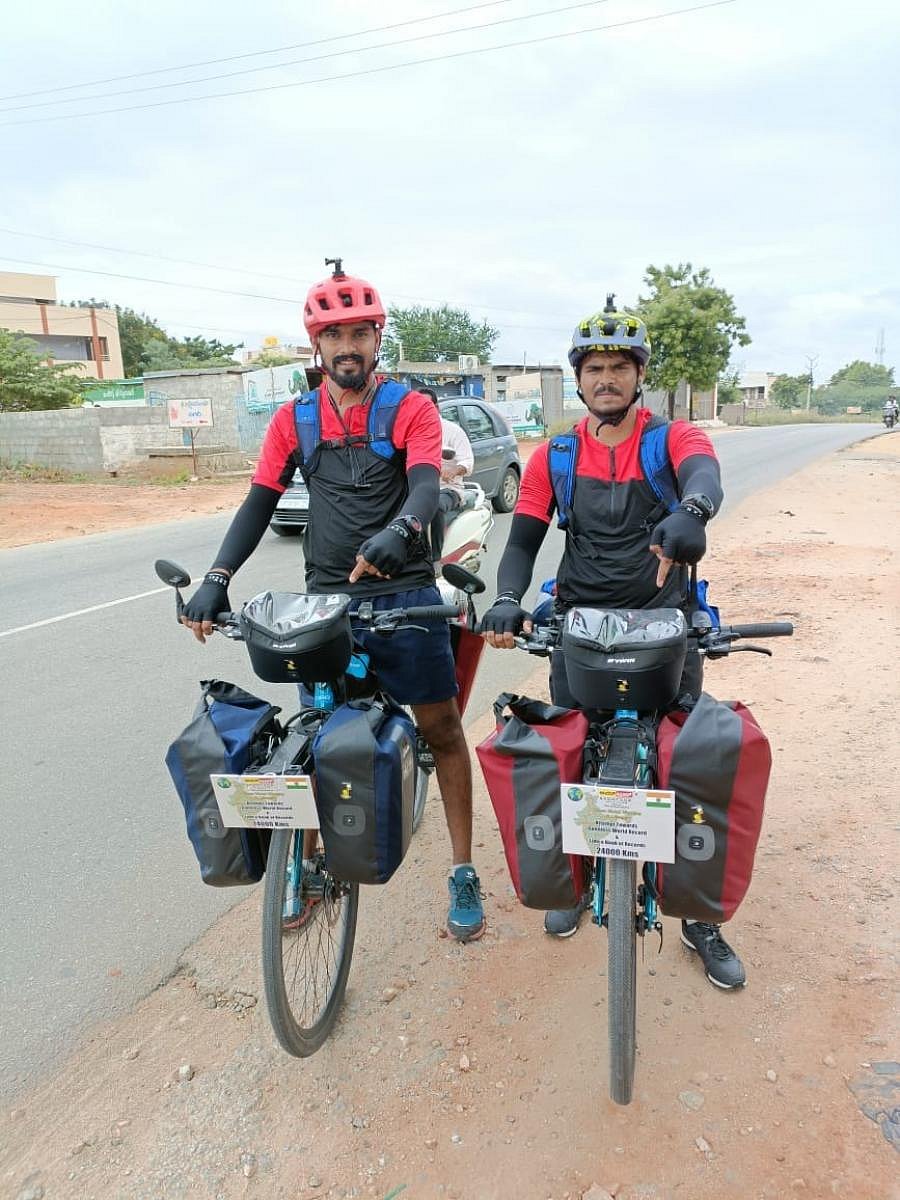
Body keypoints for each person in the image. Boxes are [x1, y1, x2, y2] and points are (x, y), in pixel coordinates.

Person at [181, 259, 485, 943]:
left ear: (379, 340)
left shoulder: (410, 407)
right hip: (328, 601)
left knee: (441, 728)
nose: (349, 348)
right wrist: (217, 577)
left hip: (405, 593)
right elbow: (259, 501)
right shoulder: (294, 419)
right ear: (316, 346)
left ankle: (464, 870)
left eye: (361, 334)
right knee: (319, 736)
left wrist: (400, 533)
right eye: (334, 336)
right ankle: (306, 864)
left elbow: (425, 485)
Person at [481, 295, 747, 990]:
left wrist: (692, 512)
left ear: (639, 375)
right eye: (594, 367)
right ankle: (573, 880)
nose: (606, 379)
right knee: (574, 752)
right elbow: (525, 539)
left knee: (689, 762)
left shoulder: (669, 437)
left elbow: (704, 474)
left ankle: (699, 917)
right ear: (579, 377)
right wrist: (509, 600)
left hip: (666, 624)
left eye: (618, 367)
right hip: (581, 628)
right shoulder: (557, 456)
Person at [419, 388, 475, 564]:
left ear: (436, 408)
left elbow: (468, 462)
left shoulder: (453, 431)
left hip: (448, 489)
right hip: (419, 487)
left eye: (426, 406)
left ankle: (434, 559)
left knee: (433, 506)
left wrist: (453, 471)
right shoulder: (413, 433)